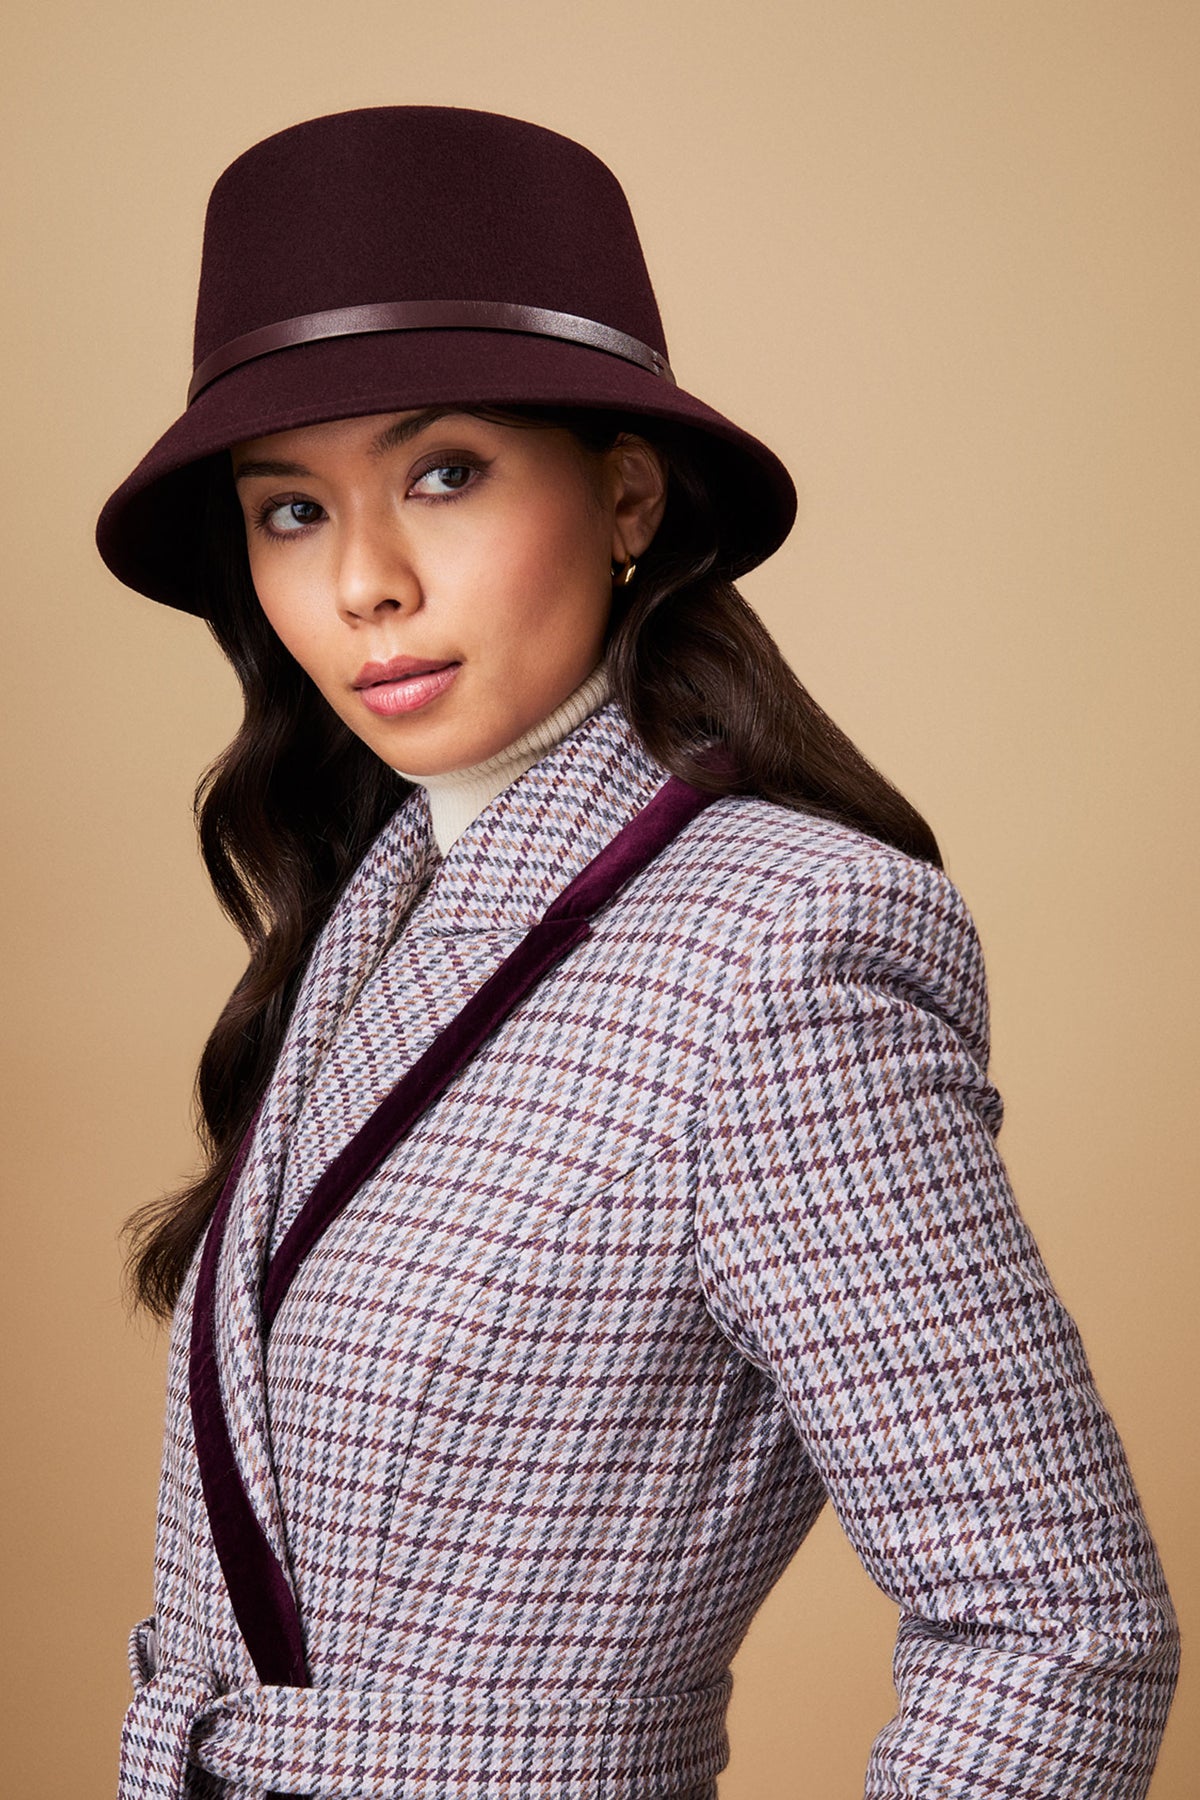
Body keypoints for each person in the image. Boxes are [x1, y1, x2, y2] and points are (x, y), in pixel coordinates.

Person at [96, 105, 1180, 1800]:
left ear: (624, 492)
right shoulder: (377, 901)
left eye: (442, 473)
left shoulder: (783, 944)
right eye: (289, 511)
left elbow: (1053, 1623)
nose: (365, 582)